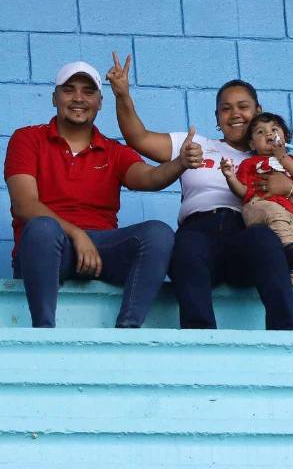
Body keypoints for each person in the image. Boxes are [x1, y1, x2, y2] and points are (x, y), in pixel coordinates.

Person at [107, 53, 293, 330]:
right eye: (226, 109)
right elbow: (138, 138)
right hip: (199, 234)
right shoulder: (195, 143)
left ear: (257, 110)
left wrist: (290, 189)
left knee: (264, 238)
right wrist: (122, 95)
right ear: (217, 117)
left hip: (244, 236)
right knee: (186, 246)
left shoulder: (272, 157)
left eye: (243, 107)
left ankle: (286, 335)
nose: (235, 114)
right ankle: (200, 340)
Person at [3, 60, 190, 328]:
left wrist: (179, 163)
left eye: (88, 92)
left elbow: (149, 177)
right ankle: (44, 331)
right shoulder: (27, 139)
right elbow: (24, 204)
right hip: (47, 251)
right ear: (54, 97)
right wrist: (77, 234)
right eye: (69, 90)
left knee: (158, 233)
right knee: (42, 228)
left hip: (101, 251)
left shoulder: (112, 150)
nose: (79, 98)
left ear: (100, 102)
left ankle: (128, 330)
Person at [220, 112, 293, 286]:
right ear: (252, 144)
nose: (268, 134)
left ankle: (287, 288)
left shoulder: (291, 160)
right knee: (274, 213)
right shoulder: (250, 164)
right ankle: (290, 251)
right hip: (258, 207)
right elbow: (242, 191)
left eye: (274, 129)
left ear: (285, 138)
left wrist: (282, 156)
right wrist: (230, 176)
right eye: (260, 132)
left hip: (289, 216)